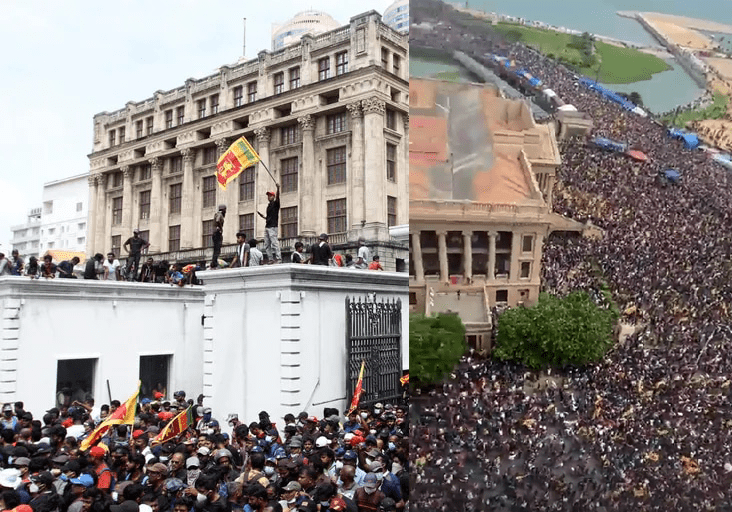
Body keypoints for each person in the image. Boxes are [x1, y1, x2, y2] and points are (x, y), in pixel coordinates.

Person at [258, 185, 281, 264]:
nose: (269, 197)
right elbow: (269, 217)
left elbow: (278, 198)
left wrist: (278, 188)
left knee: (274, 243)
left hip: (273, 227)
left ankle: (278, 258)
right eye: (268, 196)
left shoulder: (276, 204)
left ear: (273, 196)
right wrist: (263, 217)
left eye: (270, 195)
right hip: (267, 226)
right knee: (267, 244)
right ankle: (270, 259)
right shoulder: (268, 206)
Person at [211, 205, 226, 269]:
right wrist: (220, 228)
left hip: (215, 233)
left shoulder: (216, 214)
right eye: (225, 210)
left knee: (216, 249)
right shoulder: (220, 214)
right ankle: (214, 263)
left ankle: (214, 262)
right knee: (217, 248)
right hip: (217, 233)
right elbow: (217, 220)